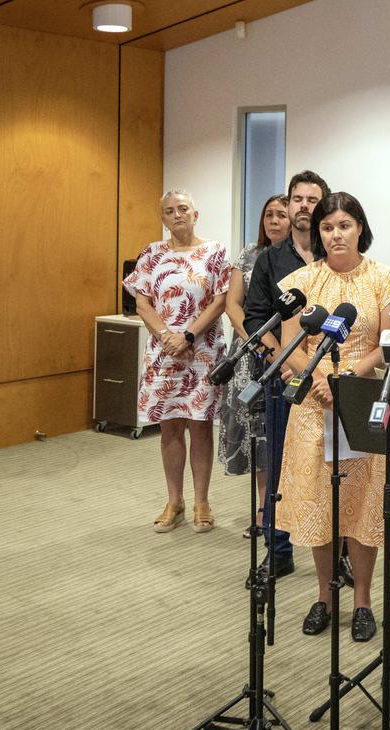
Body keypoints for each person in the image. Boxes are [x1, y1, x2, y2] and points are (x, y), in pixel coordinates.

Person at [275, 192, 390, 642]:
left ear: (360, 229)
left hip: (363, 398)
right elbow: (290, 345)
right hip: (314, 402)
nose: (336, 234)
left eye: (345, 225)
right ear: (319, 233)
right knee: (320, 502)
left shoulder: (384, 278)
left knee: (363, 502)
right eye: (328, 227)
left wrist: (349, 374)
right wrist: (320, 380)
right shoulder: (300, 281)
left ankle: (363, 600)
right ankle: (324, 596)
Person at [125, 190, 230, 533]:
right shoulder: (151, 254)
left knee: (200, 425)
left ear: (195, 214)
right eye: (169, 211)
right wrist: (166, 336)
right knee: (169, 426)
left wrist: (187, 335)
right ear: (163, 218)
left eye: (183, 208)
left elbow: (220, 301)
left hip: (201, 353)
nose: (177, 215)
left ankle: (202, 501)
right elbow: (142, 302)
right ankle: (175, 501)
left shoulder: (214, 252)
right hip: (164, 354)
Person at [243, 170, 331, 580]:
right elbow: (257, 319)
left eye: (312, 200)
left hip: (333, 384)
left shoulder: (339, 257)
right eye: (297, 198)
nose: (303, 206)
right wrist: (284, 361)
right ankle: (278, 550)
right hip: (285, 380)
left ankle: (338, 552)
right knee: (279, 464)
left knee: (334, 466)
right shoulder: (271, 260)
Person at [218, 194, 290, 537]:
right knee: (258, 436)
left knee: (278, 435)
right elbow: (233, 303)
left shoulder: (298, 258)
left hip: (284, 354)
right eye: (268, 215)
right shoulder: (248, 253)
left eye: (281, 215)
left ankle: (285, 510)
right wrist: (253, 337)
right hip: (248, 352)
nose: (274, 221)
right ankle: (264, 510)